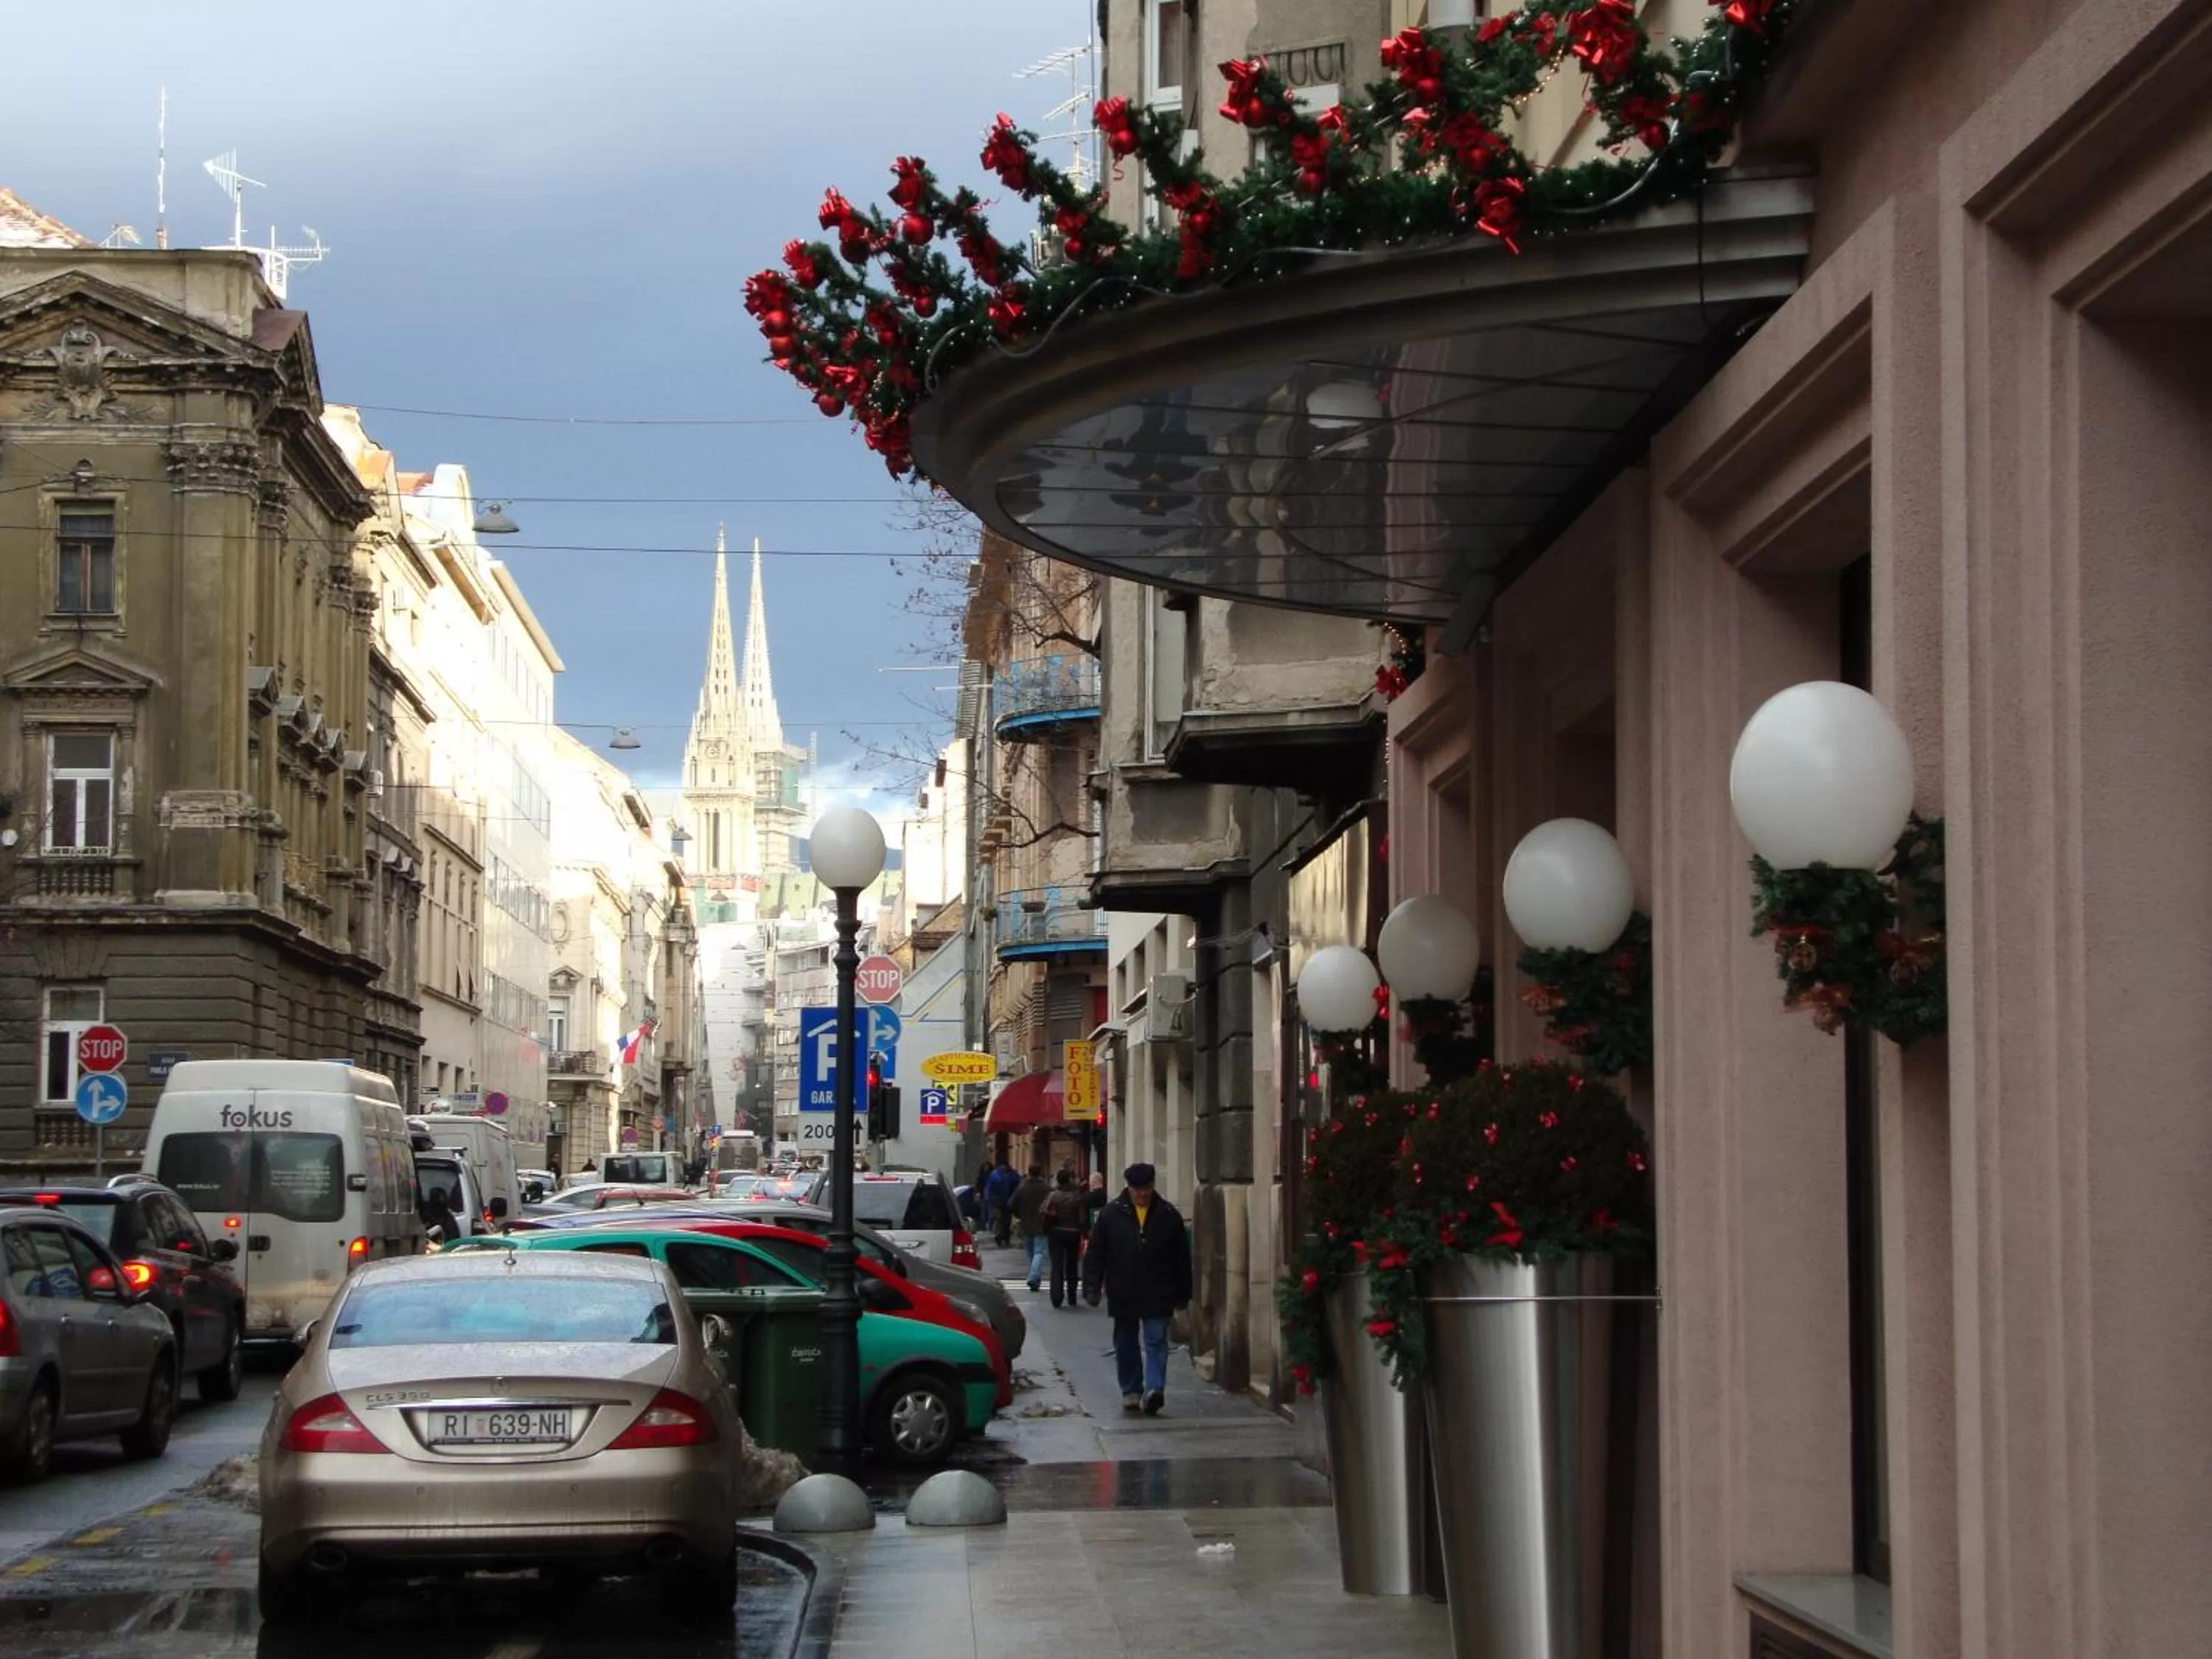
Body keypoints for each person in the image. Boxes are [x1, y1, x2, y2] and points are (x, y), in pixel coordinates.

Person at [1082, 1162, 1192, 1416]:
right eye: (1137, 1189)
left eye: (1147, 1189)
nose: (1142, 1194)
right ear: (1128, 1187)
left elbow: (1181, 1258)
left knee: (1156, 1340)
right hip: (1124, 1288)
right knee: (1126, 1342)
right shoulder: (1111, 1215)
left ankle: (1154, 1390)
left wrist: (1183, 1292)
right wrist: (1092, 1286)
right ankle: (1131, 1389)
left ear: (1153, 1186)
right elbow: (1097, 1253)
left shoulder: (1167, 1214)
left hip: (1159, 1288)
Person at [1040, 1168, 1088, 1308]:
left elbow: (1043, 1211)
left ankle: (1056, 1297)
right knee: (1072, 1265)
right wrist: (1083, 1231)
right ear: (1070, 1180)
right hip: (1073, 1233)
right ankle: (1072, 1297)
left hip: (1055, 1233)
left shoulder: (1052, 1195)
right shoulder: (1078, 1196)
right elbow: (1083, 1218)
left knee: (1057, 1265)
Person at [1011, 1164, 1053, 1291]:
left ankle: (1034, 1277)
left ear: (1029, 1173)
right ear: (1040, 1173)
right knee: (1039, 1252)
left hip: (1026, 1224)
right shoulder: (1046, 1188)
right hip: (1042, 1224)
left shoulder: (1022, 1188)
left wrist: (1020, 1215)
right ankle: (1034, 1277)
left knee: (1031, 1253)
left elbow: (1012, 1204)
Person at [985, 1158, 1021, 1247]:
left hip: (1006, 1202)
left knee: (1005, 1221)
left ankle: (1004, 1238)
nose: (1003, 1167)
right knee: (1000, 1220)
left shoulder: (1008, 1174)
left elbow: (1017, 1186)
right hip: (999, 1202)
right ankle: (1001, 1237)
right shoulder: (996, 1175)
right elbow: (990, 1189)